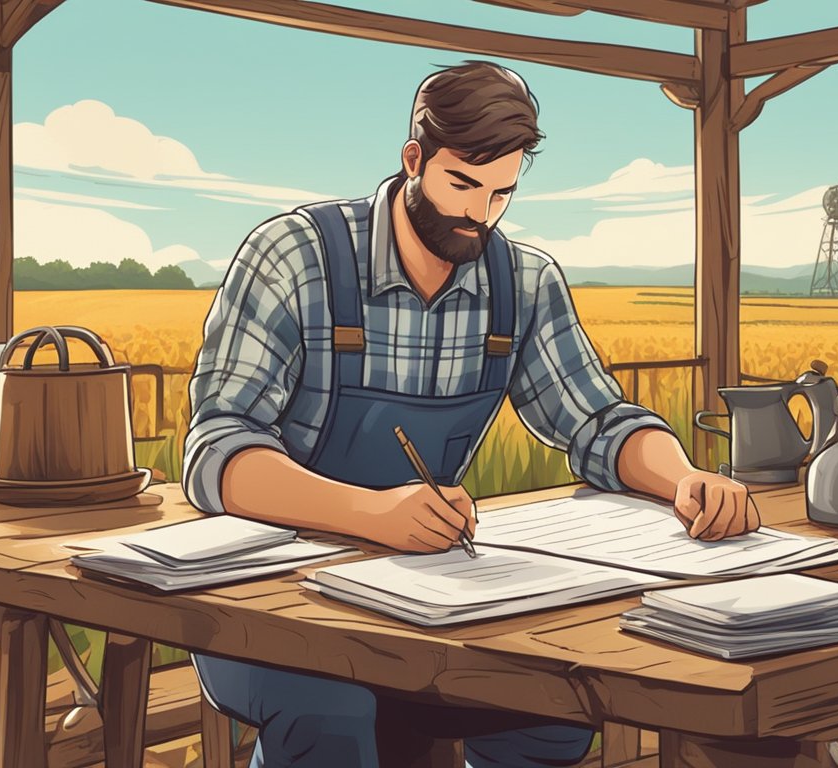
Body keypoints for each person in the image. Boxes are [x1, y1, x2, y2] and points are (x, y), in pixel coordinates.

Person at [182, 60, 760, 768]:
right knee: (330, 711)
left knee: (552, 710)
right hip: (268, 603)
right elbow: (219, 451)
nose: (478, 215)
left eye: (501, 195)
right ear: (414, 159)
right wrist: (372, 514)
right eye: (462, 185)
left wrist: (682, 479)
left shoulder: (521, 282)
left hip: (428, 596)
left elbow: (599, 422)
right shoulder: (295, 256)